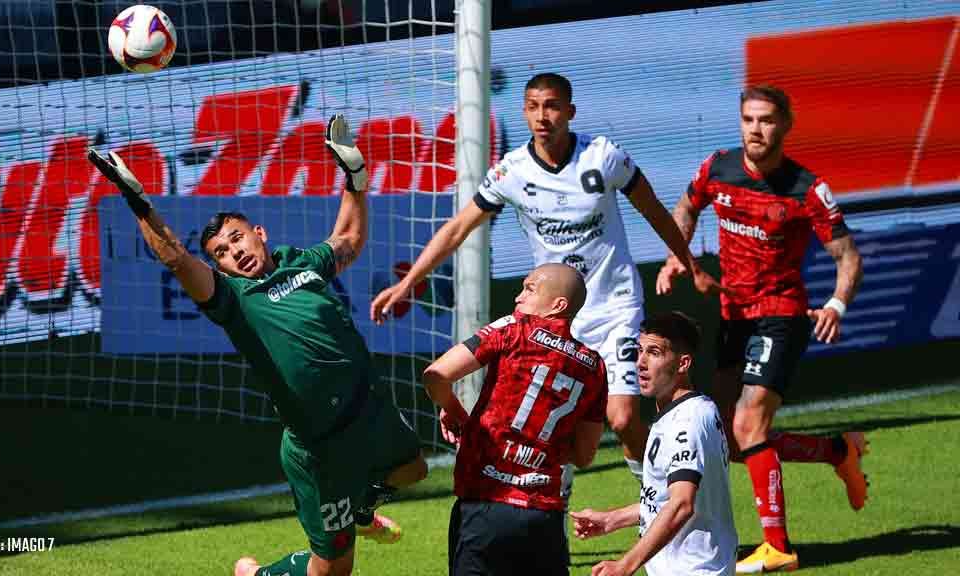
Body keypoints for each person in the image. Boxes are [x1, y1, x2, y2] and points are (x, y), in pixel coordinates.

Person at [87, 115, 428, 576]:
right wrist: (139, 202)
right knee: (333, 572)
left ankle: (359, 506)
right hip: (319, 447)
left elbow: (348, 239)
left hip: (368, 412)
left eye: (236, 238)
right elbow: (174, 258)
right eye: (222, 254)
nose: (234, 252)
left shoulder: (300, 263)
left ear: (259, 233)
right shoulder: (232, 299)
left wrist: (355, 179)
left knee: (414, 470)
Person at [372, 72, 720, 487]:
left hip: (616, 306)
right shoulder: (512, 172)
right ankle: (555, 516)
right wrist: (409, 281)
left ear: (570, 112)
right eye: (534, 107)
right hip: (557, 320)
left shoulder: (604, 156)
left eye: (552, 106)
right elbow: (457, 228)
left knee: (622, 418)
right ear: (524, 112)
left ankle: (658, 503)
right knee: (554, 425)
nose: (543, 116)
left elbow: (655, 211)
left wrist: (690, 264)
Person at [656, 85, 867, 573]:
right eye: (749, 119)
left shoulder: (807, 189)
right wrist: (677, 256)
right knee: (733, 440)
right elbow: (686, 208)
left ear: (786, 125)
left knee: (748, 423)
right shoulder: (717, 168)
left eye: (767, 120)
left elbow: (848, 258)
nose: (756, 129)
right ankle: (838, 450)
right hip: (734, 313)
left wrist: (836, 303)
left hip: (782, 313)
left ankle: (778, 548)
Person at [422, 263, 608, 576]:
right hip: (543, 517)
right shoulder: (595, 367)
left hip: (485, 505)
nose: (518, 297)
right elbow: (584, 455)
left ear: (558, 305)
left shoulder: (514, 328)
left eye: (530, 289)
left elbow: (435, 375)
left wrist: (453, 409)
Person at [571, 311, 736, 576]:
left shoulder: (687, 421)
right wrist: (612, 519)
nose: (640, 363)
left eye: (655, 353)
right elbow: (665, 500)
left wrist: (625, 565)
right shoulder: (681, 413)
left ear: (683, 363)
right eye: (640, 351)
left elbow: (682, 504)